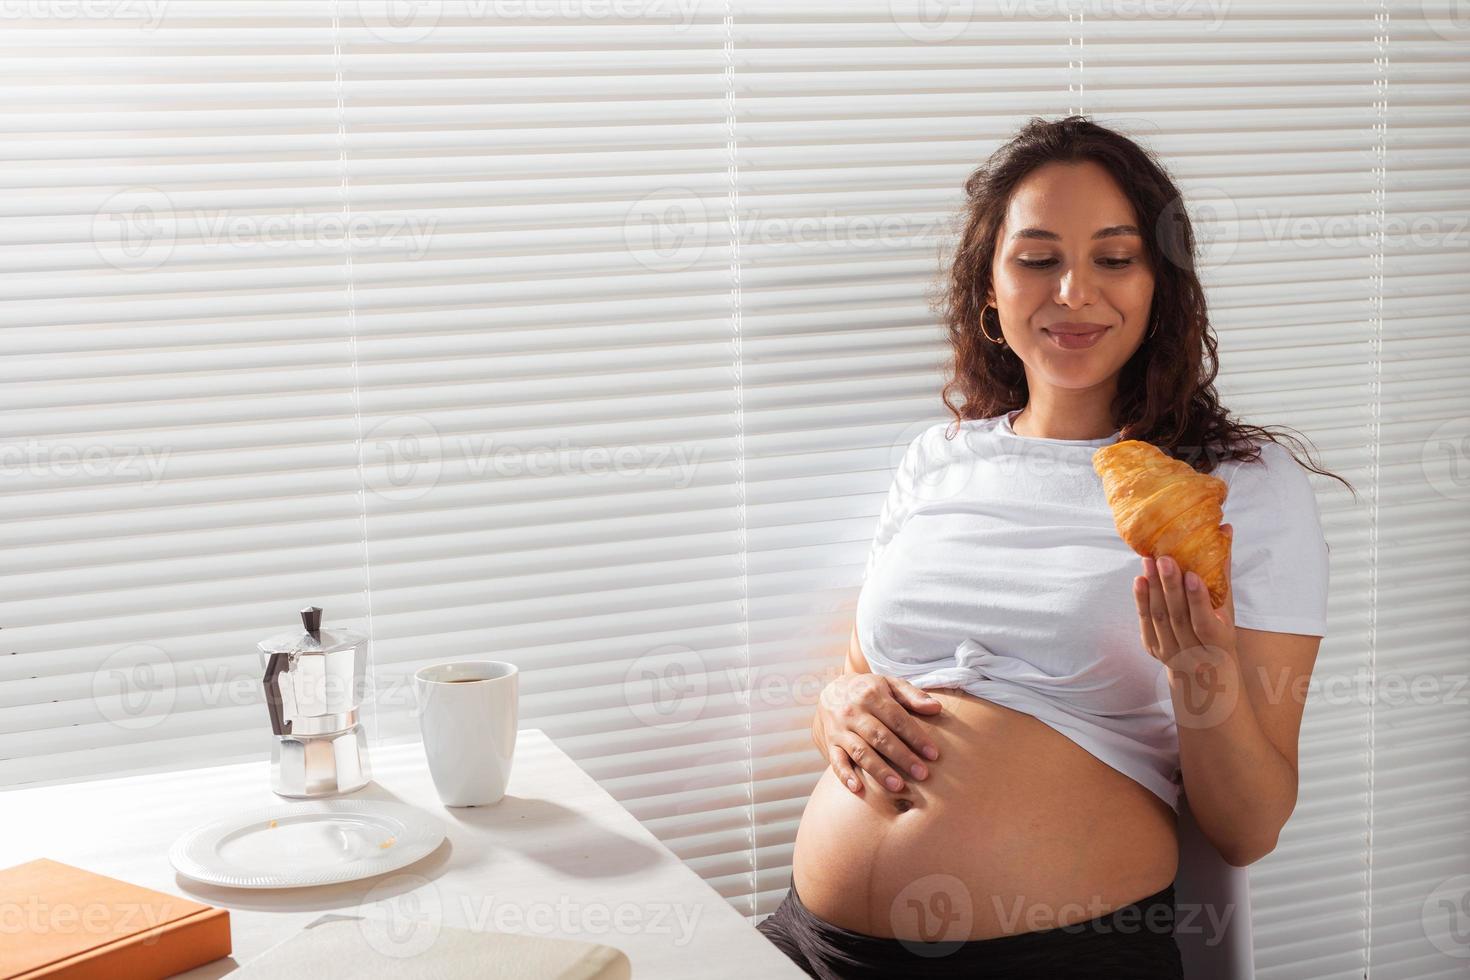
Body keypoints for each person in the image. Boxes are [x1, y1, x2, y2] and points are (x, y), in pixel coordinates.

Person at [756, 115, 1352, 980]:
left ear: (1161, 286)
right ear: (990, 287)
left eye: (1115, 258)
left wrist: (1204, 675)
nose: (1073, 290)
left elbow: (1248, 828)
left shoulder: (1237, 489)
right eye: (1037, 259)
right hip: (814, 943)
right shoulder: (939, 460)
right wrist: (835, 709)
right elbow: (860, 670)